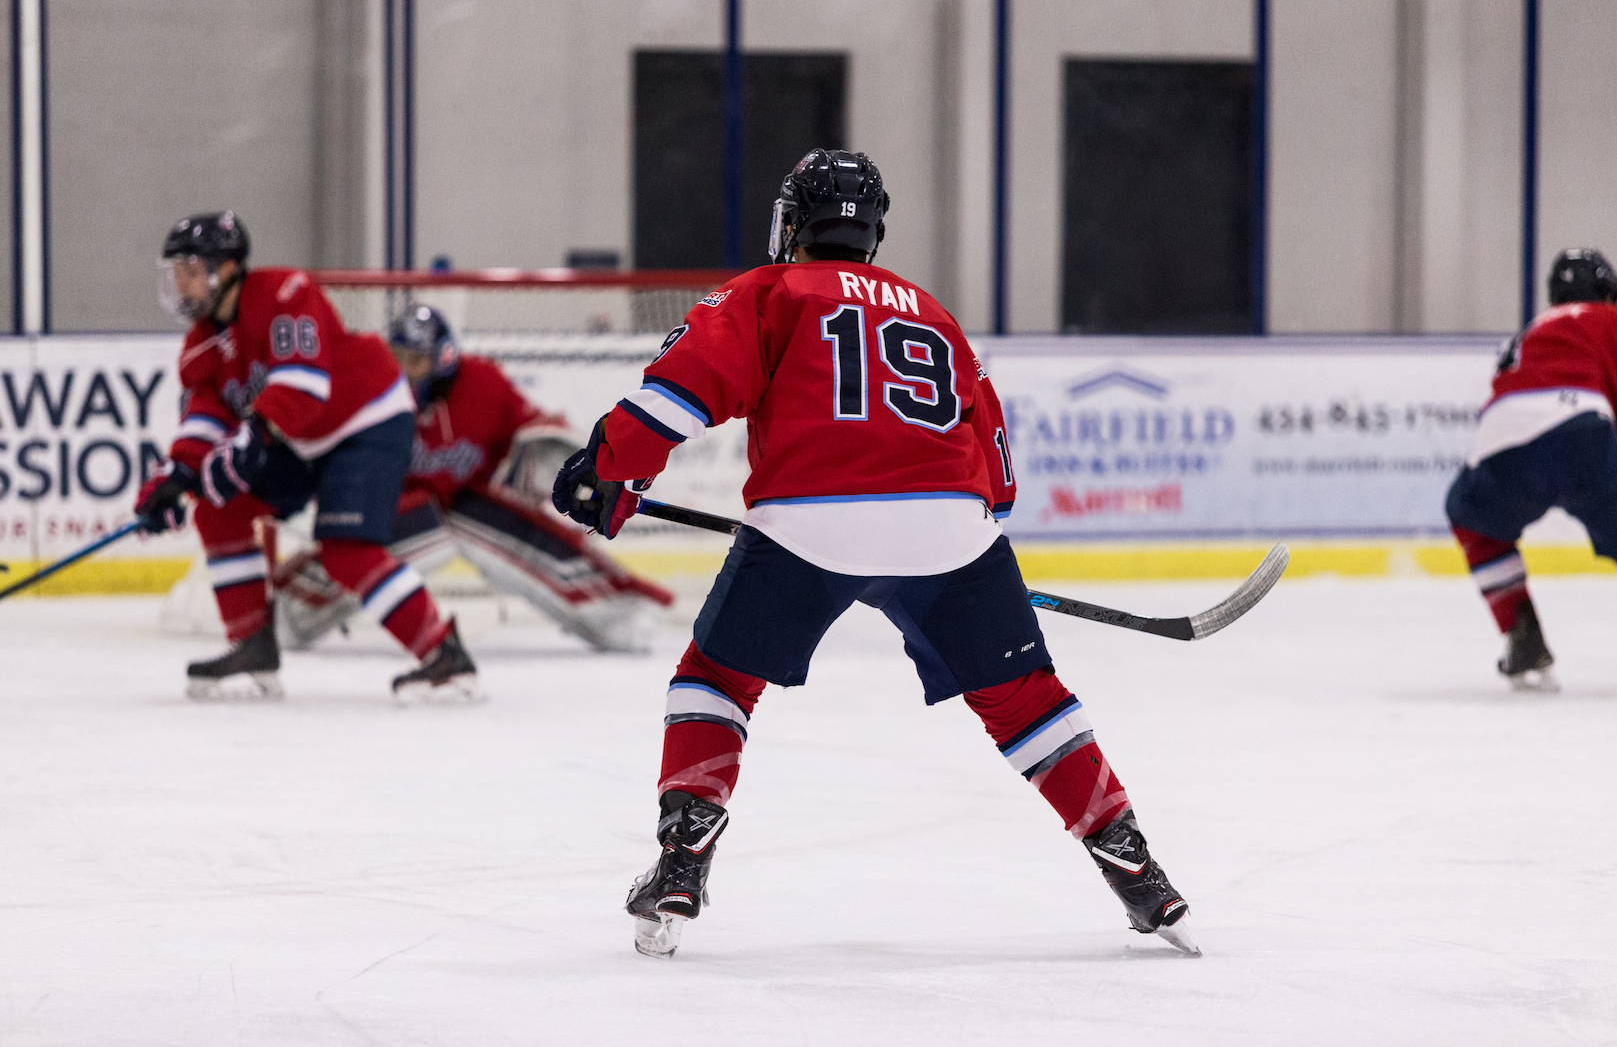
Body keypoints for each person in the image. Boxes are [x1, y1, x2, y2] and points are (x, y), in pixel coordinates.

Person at [554, 149, 1197, 959]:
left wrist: (610, 467)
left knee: (717, 679)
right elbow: (997, 476)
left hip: (809, 529)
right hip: (955, 533)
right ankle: (1139, 872)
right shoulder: (933, 312)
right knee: (1027, 700)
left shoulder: (766, 290)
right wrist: (961, 548)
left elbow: (681, 392)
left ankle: (683, 863)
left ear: (796, 220)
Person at [133, 212, 479, 702]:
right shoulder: (199, 347)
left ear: (227, 267)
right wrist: (176, 476)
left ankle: (444, 655)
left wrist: (252, 438)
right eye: (177, 273)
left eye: (191, 269)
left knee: (347, 550)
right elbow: (206, 418)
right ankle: (252, 645)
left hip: (368, 418)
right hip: (299, 437)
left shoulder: (284, 293)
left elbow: (305, 383)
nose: (182, 284)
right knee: (218, 506)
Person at [273, 304, 674, 652]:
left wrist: (568, 460)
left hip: (469, 502)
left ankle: (611, 612)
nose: (404, 370)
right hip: (395, 510)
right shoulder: (374, 391)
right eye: (397, 356)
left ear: (443, 357)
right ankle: (291, 612)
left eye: (416, 360)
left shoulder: (482, 384)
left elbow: (531, 428)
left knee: (504, 527)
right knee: (361, 544)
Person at [1446, 247, 1617, 692]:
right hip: (1581, 430)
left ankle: (1521, 633)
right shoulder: (1608, 321)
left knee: (1472, 519)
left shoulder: (1528, 334)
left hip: (1502, 442)